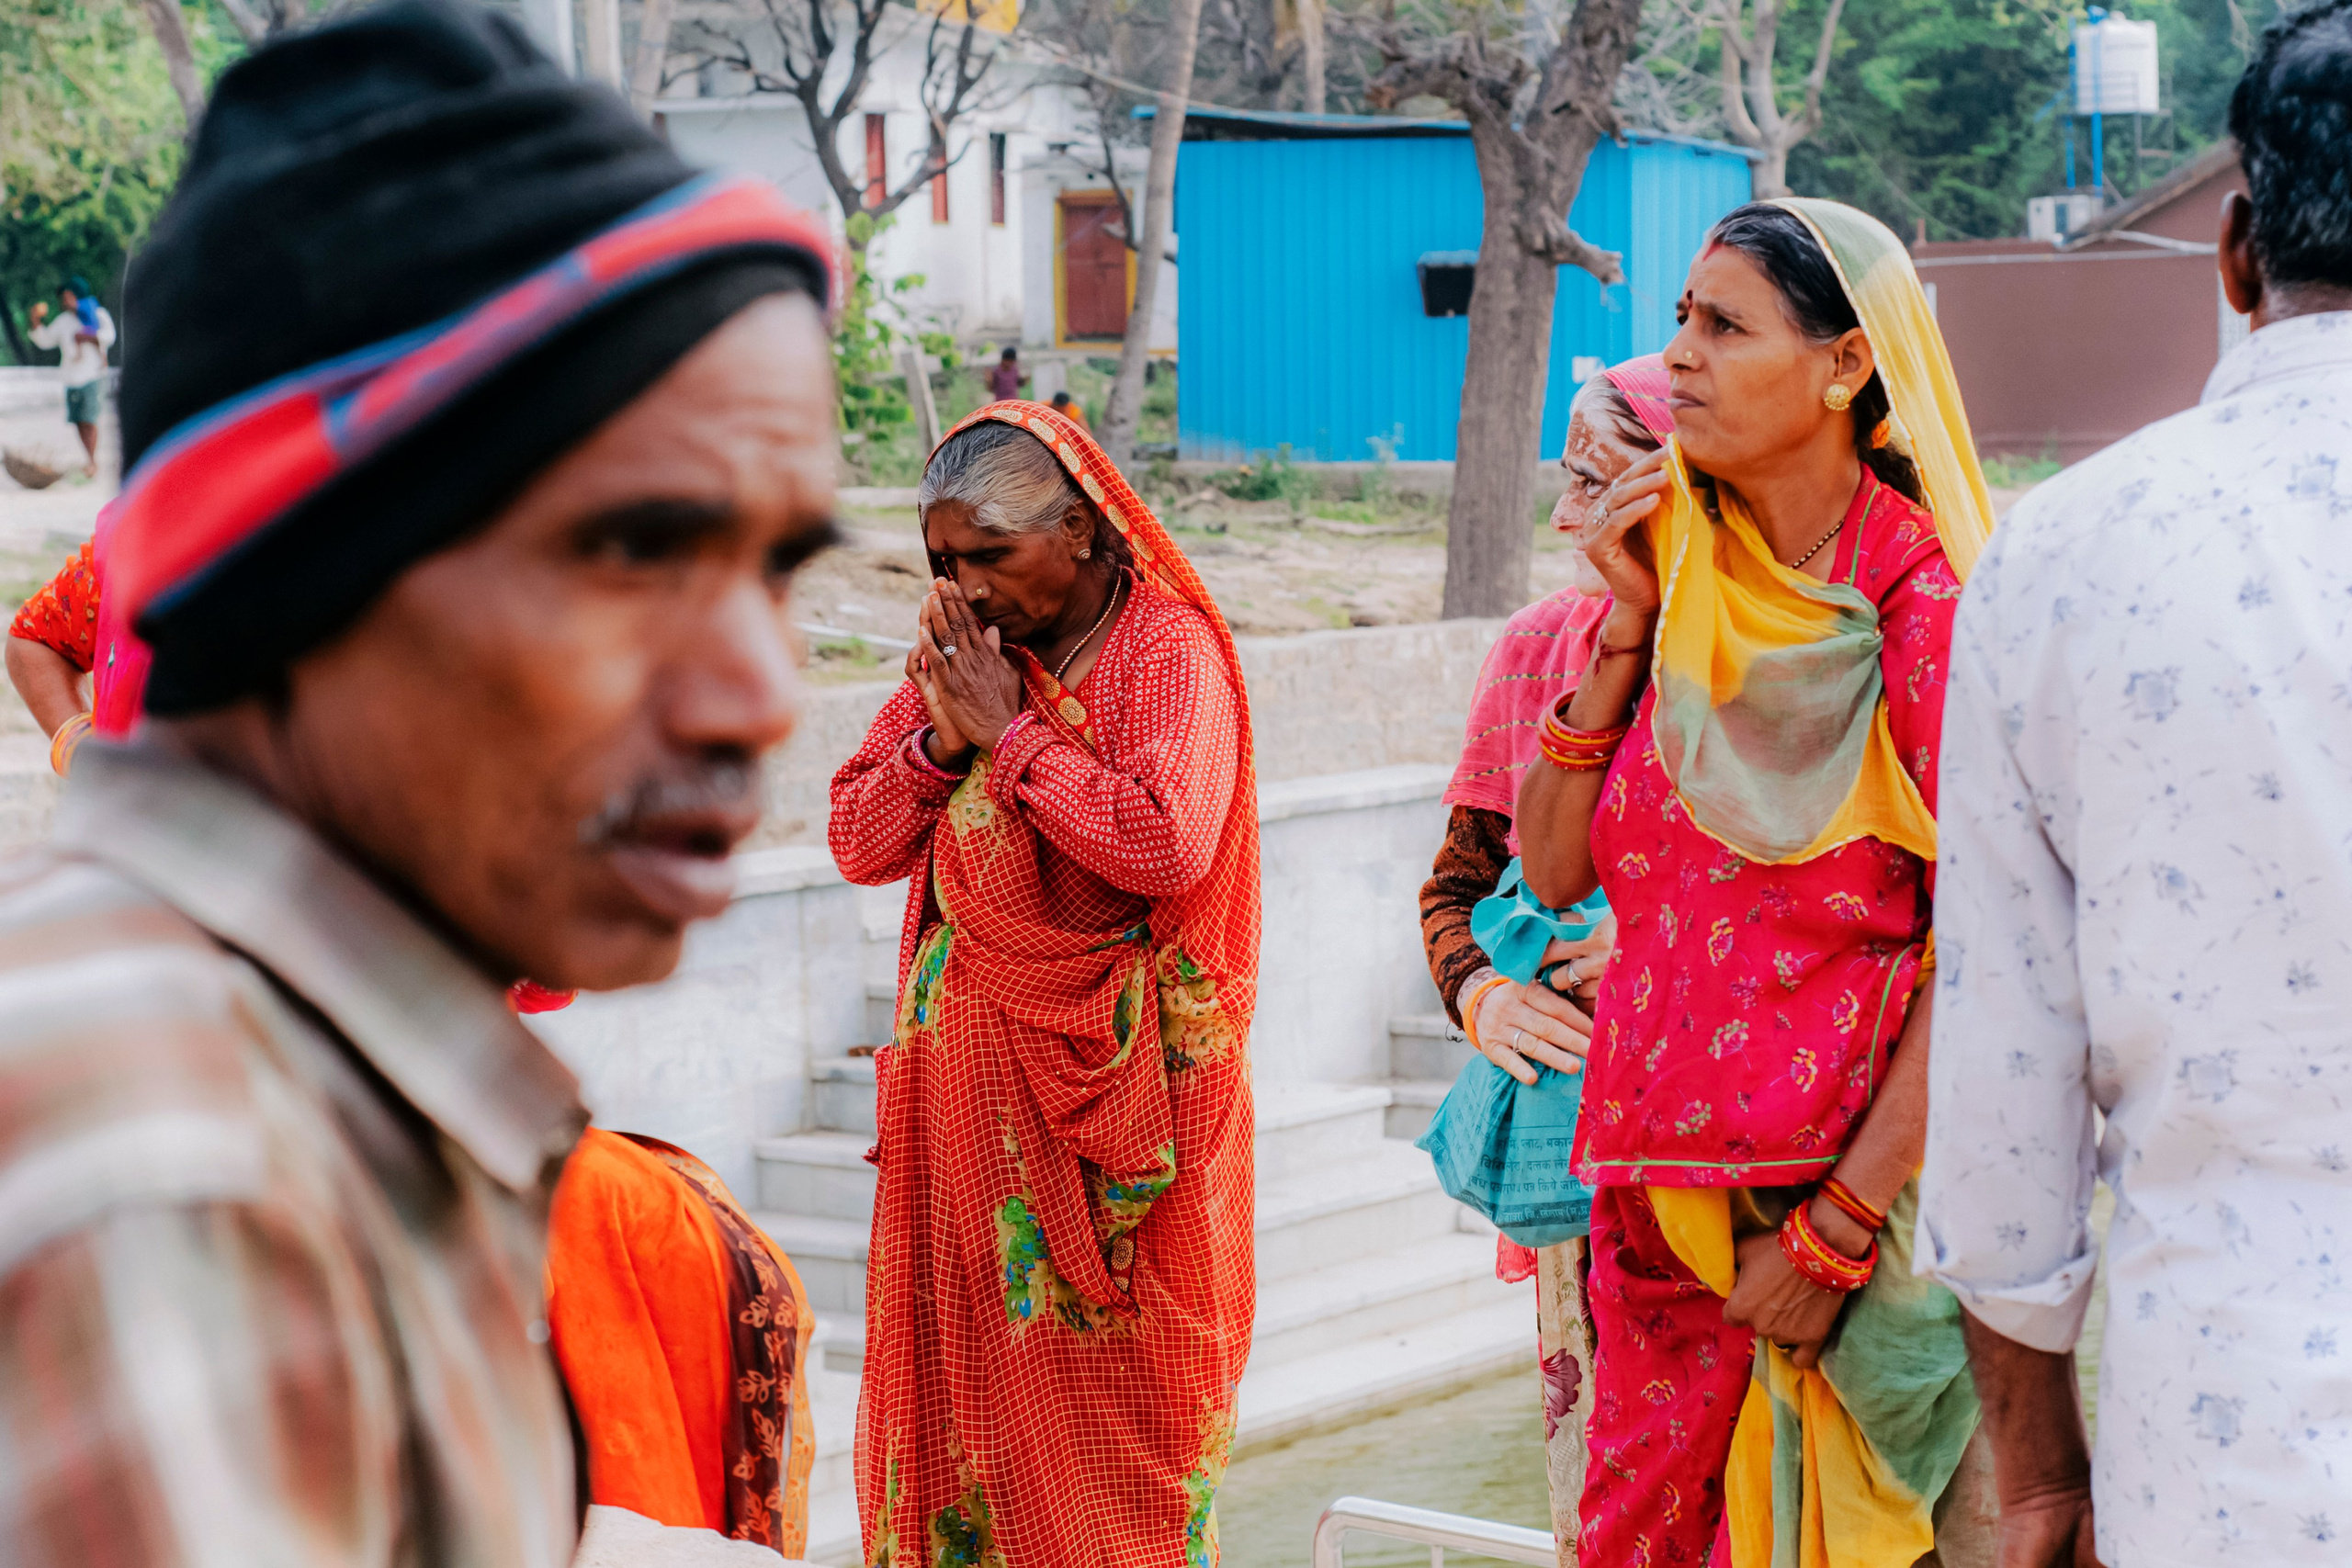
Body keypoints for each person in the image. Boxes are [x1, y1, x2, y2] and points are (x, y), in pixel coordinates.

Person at [0, 5, 840, 1564]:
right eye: (634, 550)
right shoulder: (169, 1167)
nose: (762, 695)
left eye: (778, 570)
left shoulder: (304, 1082)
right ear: (301, 563)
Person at [1923, 8, 2352, 1566]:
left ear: (2234, 254)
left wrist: (2039, 1474)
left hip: (2235, 1463)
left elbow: (2001, 1097)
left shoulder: (2067, 553)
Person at [1517, 199, 2000, 1565]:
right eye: (1679, 319)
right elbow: (1552, 865)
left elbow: (1988, 946)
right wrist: (1620, 624)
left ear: (1848, 365)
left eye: (1724, 326)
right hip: (1652, 1208)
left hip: (1832, 1222)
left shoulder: (1925, 602)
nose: (1677, 357)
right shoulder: (1678, 570)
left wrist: (1840, 1226)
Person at [830, 400, 1258, 1564]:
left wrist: (1012, 742)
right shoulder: (971, 653)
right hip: (957, 1119)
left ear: (1077, 528)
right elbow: (857, 839)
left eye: (986, 555)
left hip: (1120, 1120)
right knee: (959, 1403)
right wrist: (938, 742)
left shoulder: (1166, 656)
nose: (960, 586)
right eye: (939, 561)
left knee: (1121, 1439)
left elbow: (1165, 844)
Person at [1417, 356, 1669, 1552]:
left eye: (1596, 485)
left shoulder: (1797, 653)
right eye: (1561, 483)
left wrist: (1668, 949)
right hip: (1583, 1170)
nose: (1565, 519)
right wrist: (1483, 997)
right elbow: (1455, 890)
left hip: (1764, 1168)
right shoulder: (1540, 649)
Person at [548, 1129, 819, 1557]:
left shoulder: (575, 1198)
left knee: (653, 1487)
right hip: (688, 1262)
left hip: (691, 1290)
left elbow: (616, 1418)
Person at [27, 280, 117, 478]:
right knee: (78, 420)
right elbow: (46, 339)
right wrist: (35, 321)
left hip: (92, 374)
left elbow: (109, 336)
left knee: (89, 419)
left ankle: (92, 461)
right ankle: (89, 458)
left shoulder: (98, 315)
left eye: (70, 296)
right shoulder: (64, 321)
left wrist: (89, 337)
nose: (67, 301)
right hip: (71, 376)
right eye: (65, 297)